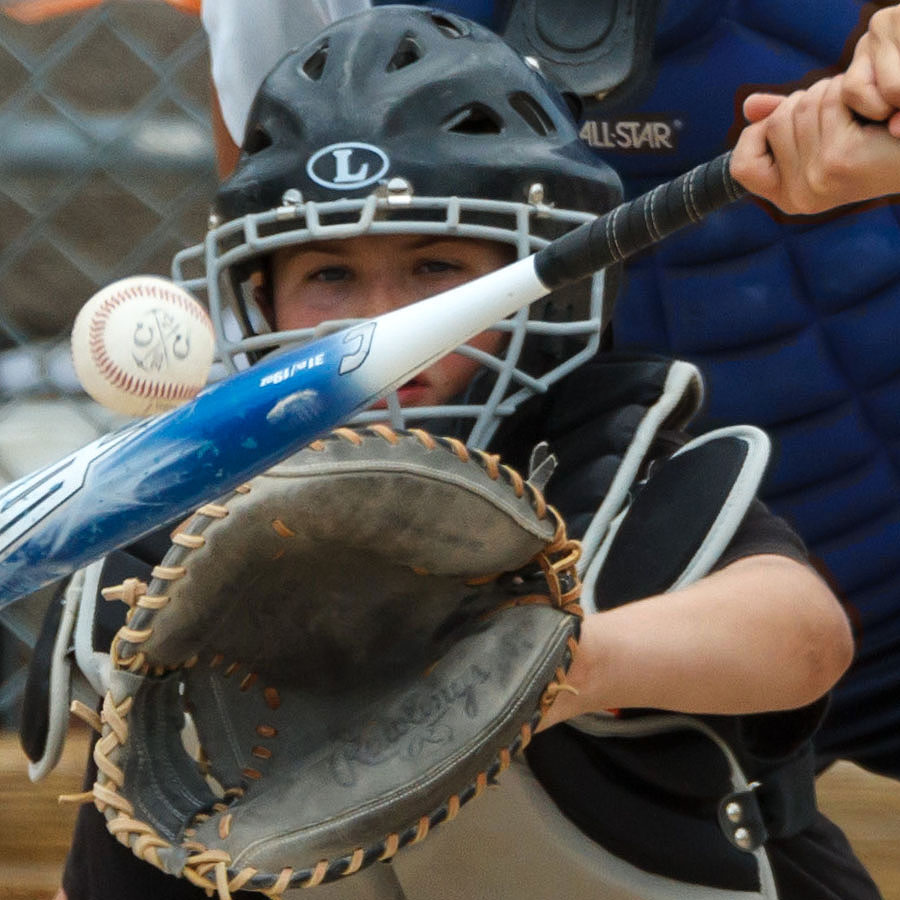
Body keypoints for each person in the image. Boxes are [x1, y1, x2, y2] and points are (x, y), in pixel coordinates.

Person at [36, 7, 882, 900]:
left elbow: (804, 636)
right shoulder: (201, 512)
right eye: (330, 276)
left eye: (436, 268)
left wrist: (575, 663)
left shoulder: (595, 447)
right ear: (260, 296)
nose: (383, 321)